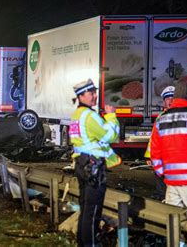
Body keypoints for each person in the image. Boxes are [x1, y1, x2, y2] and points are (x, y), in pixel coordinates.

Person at [69, 78, 121, 247]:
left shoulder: (76, 115)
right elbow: (110, 136)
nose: (95, 96)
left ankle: (83, 243)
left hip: (82, 164)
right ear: (81, 96)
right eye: (91, 93)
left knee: (85, 209)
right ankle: (91, 244)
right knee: (92, 212)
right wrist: (111, 116)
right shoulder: (89, 116)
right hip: (93, 168)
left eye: (95, 92)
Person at [150, 81, 187, 210]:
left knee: (173, 221)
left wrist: (163, 173)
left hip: (171, 182)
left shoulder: (161, 120)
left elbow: (155, 152)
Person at [144, 85, 175, 200]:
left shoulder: (180, 115)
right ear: (163, 102)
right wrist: (150, 156)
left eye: (173, 98)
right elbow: (154, 138)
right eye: (167, 99)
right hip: (163, 156)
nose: (170, 101)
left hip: (174, 156)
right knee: (160, 180)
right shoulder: (160, 118)